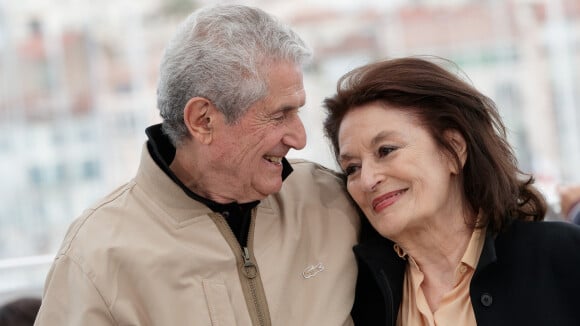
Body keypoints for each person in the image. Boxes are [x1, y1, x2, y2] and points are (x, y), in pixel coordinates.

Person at [34, 5, 359, 325]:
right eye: (279, 115)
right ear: (202, 120)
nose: (299, 138)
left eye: (297, 111)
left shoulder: (334, 200)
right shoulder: (95, 258)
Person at [323, 57, 580, 326]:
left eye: (386, 151)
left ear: (454, 150)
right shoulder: (357, 295)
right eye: (352, 167)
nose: (367, 180)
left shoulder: (563, 257)